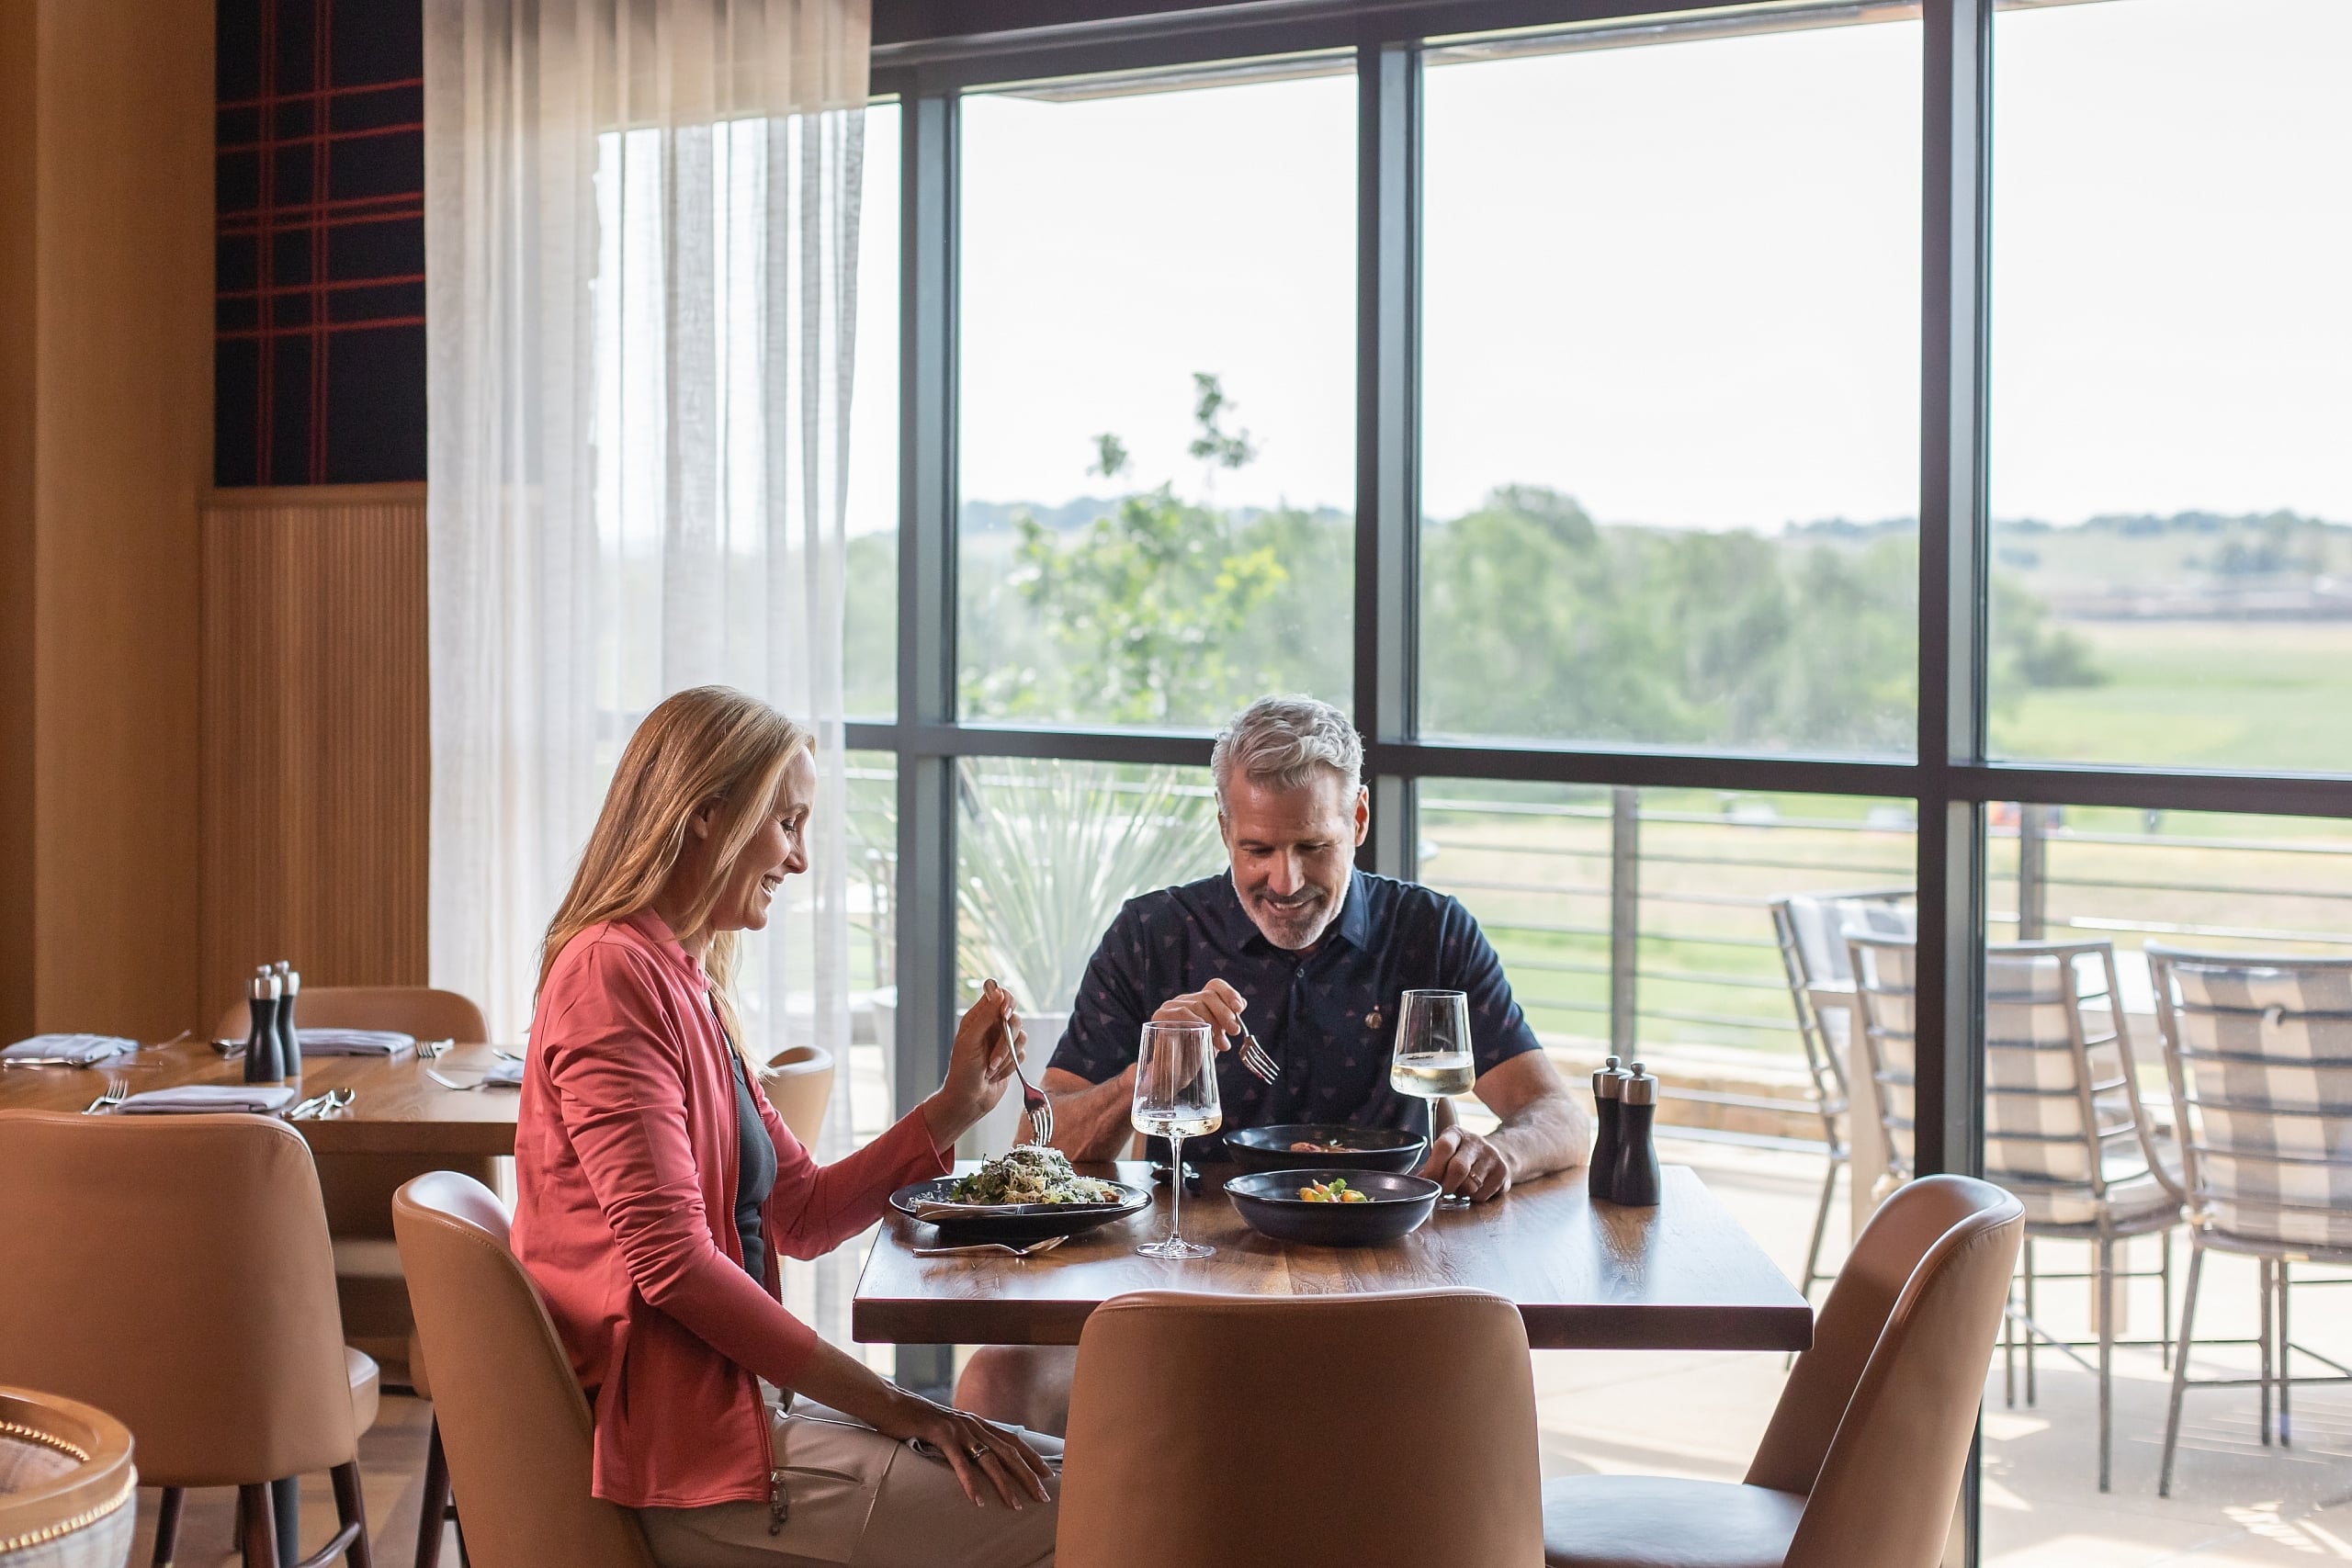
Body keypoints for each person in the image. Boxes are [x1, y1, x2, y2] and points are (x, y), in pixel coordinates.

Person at [513, 685, 1058, 1568]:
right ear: (706, 814)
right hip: (680, 1455)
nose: (800, 859)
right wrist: (901, 1407)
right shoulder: (611, 976)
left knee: (1088, 1478)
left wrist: (956, 1105)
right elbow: (676, 1266)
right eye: (788, 823)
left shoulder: (684, 980)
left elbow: (803, 1213)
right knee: (1102, 1504)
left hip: (733, 1414)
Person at [956, 694, 1589, 1433]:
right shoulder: (1152, 935)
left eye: (1312, 846)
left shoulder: (1430, 931)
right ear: (1224, 827)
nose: (1285, 882)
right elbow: (1038, 1150)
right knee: (996, 1381)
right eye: (1257, 849)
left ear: (1358, 818)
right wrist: (1144, 1074)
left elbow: (1560, 1117)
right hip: (1182, 1290)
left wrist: (1501, 1152)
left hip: (1386, 1292)